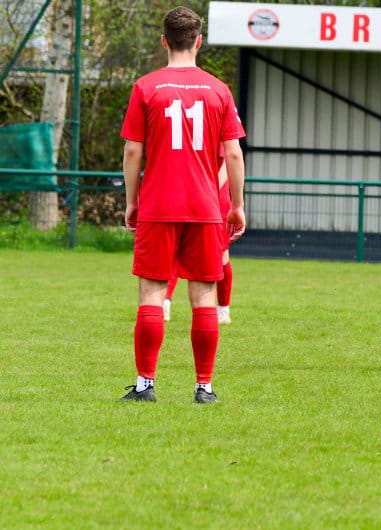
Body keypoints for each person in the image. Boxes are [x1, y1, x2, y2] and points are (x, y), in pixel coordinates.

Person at [119, 6, 246, 404]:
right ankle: (203, 388)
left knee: (152, 293)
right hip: (205, 208)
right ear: (198, 42)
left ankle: (145, 386)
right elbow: (234, 154)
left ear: (164, 41)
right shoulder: (219, 90)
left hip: (158, 205)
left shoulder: (145, 87)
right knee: (204, 296)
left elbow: (132, 152)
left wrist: (132, 202)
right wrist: (237, 205)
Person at [164, 160, 236, 324]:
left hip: (215, 203)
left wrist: (211, 189)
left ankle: (223, 310)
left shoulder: (219, 143)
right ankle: (164, 304)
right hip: (186, 198)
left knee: (221, 256)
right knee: (174, 251)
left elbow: (228, 161)